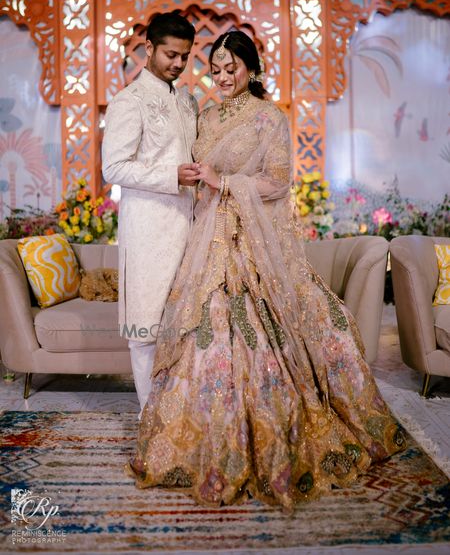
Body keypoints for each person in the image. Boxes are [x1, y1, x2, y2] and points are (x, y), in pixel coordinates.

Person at [126, 30, 406, 513]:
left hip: (254, 240)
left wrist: (223, 181)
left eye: (231, 67)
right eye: (215, 68)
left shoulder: (269, 119)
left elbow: (278, 181)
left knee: (303, 325)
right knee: (204, 328)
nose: (222, 76)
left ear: (252, 69)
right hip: (207, 239)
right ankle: (198, 437)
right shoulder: (205, 115)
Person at [102, 11, 199, 418]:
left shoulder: (188, 101)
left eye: (184, 56)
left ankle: (182, 415)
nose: (178, 63)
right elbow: (113, 168)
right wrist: (170, 175)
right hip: (147, 229)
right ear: (149, 49)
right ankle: (151, 418)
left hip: (189, 227)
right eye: (170, 54)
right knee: (145, 330)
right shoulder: (130, 101)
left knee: (187, 324)